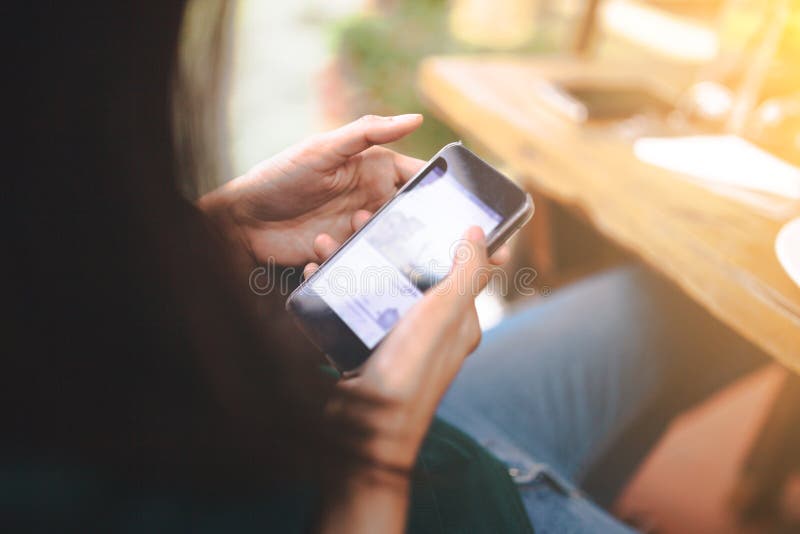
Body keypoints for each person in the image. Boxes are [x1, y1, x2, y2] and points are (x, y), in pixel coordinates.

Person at [5, 2, 766, 533]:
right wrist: (383, 451)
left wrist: (226, 229)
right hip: (415, 474)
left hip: (437, 432)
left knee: (685, 303)